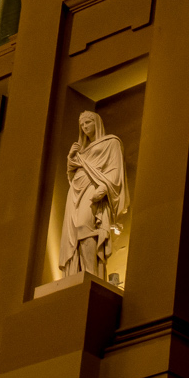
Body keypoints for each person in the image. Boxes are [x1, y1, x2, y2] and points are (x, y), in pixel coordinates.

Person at [59, 110, 128, 280]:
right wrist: (71, 157)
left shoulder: (111, 143)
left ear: (96, 122)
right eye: (82, 125)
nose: (84, 127)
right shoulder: (82, 151)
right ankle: (76, 274)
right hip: (75, 191)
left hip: (93, 186)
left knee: (84, 225)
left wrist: (104, 186)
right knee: (73, 234)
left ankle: (90, 274)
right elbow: (71, 174)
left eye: (87, 123)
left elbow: (115, 169)